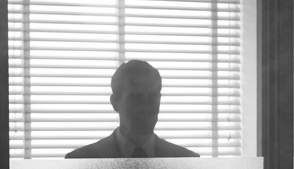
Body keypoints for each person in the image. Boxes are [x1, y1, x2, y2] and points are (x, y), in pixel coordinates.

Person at [66, 60, 198, 158]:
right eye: (136, 98)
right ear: (114, 102)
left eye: (152, 97)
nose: (145, 108)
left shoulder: (186, 162)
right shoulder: (82, 161)